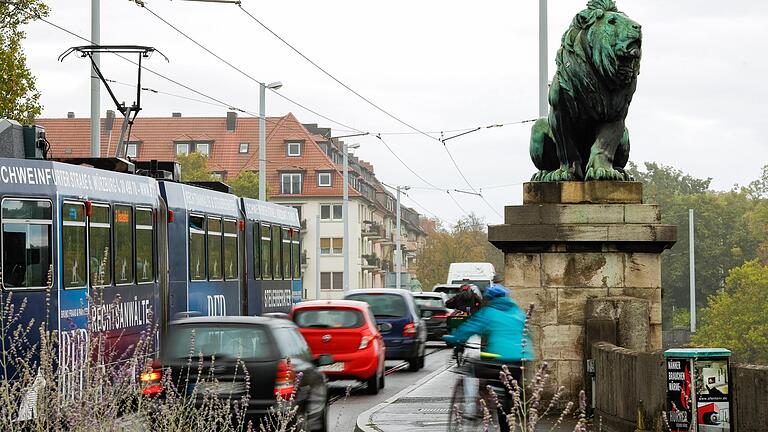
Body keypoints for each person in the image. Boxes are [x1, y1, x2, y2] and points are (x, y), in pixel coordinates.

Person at [442, 273, 534, 365]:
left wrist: (454, 338)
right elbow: (528, 332)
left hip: (500, 357)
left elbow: (469, 328)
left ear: (490, 299)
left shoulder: (489, 313)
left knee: (474, 368)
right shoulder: (518, 312)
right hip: (523, 357)